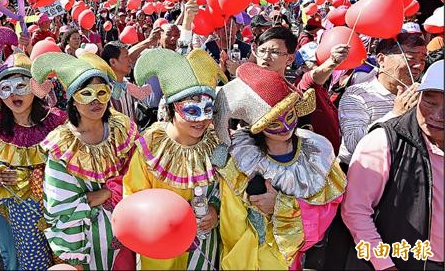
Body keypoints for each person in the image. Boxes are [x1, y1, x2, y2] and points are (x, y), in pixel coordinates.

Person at [213, 62, 346, 270]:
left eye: (290, 116)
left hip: (290, 260)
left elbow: (329, 207)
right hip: (247, 258)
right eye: (273, 124)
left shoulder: (318, 152)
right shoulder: (238, 158)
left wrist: (282, 206)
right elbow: (232, 222)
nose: (285, 128)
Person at [123, 48, 227, 270]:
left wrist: (215, 210)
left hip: (204, 246)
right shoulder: (149, 147)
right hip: (162, 250)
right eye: (191, 111)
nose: (201, 120)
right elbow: (133, 198)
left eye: (207, 110)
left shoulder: (215, 143)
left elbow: (225, 190)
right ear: (171, 108)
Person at [35, 51, 139, 270]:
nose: (95, 101)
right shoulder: (63, 146)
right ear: (73, 98)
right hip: (90, 245)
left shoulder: (122, 129)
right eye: (86, 93)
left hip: (130, 233)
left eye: (102, 92)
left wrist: (107, 192)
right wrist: (76, 259)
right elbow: (62, 210)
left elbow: (139, 172)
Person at [342, 60, 443, 270]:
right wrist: (385, 265)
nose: (437, 115)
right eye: (430, 103)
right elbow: (355, 211)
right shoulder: (385, 140)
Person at [0, 53, 67, 270]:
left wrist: (30, 176)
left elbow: (75, 169)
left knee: (67, 260)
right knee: (35, 265)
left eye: (21, 85)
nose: (14, 93)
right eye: (6, 87)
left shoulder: (59, 122)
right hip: (22, 216)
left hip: (62, 210)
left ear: (34, 87)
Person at [338, 32, 427, 167]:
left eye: (422, 60)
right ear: (381, 60)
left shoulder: (419, 94)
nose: (418, 66)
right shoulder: (357, 94)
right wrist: (395, 115)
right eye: (410, 58)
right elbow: (353, 143)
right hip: (363, 172)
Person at [293, 41, 351, 153]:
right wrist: (332, 62)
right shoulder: (304, 83)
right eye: (316, 62)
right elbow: (313, 76)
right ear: (304, 67)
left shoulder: (322, 86)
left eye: (323, 60)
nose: (322, 64)